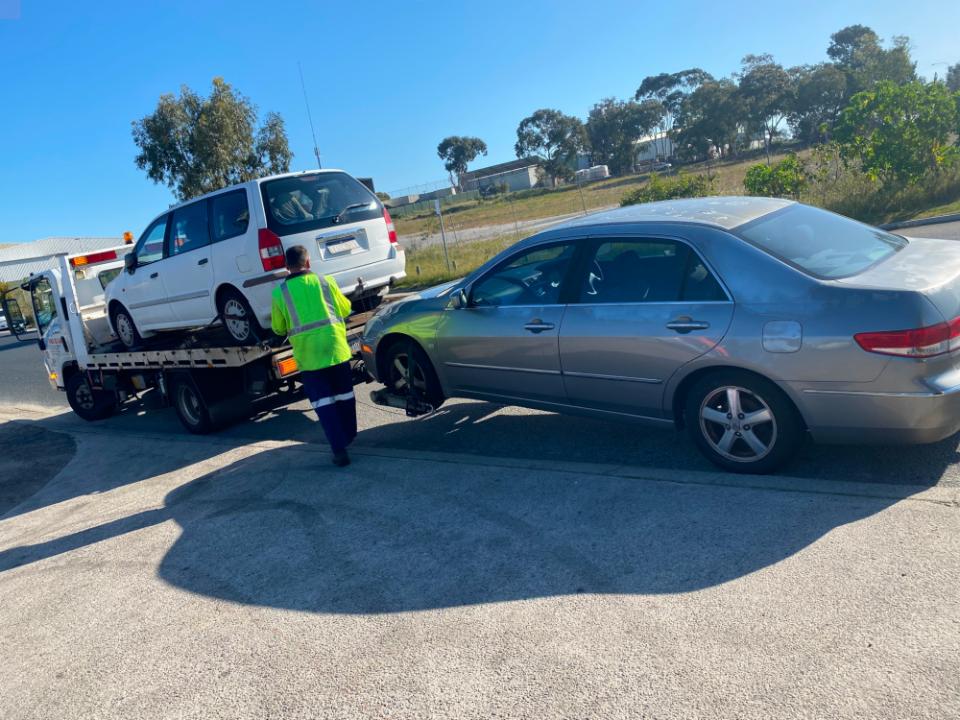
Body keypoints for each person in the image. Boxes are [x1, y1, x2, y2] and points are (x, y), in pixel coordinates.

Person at [271, 245, 357, 466]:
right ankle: (348, 436)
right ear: (308, 263)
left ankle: (339, 449)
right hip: (335, 349)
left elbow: (278, 328)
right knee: (345, 396)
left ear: (286, 267)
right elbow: (345, 309)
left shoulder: (280, 293)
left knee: (324, 403)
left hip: (309, 357)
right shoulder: (325, 281)